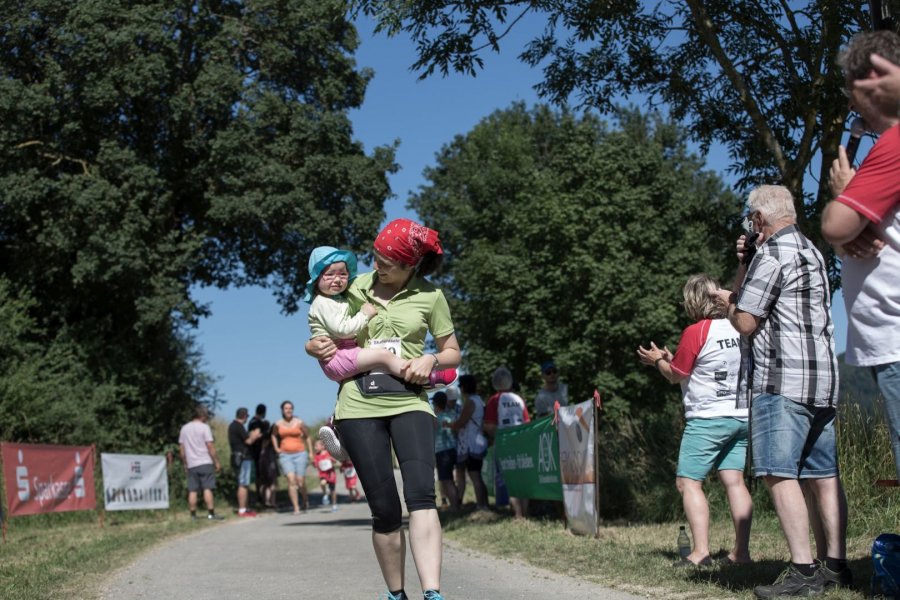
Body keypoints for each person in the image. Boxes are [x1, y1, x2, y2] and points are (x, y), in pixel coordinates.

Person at [306, 218, 461, 600]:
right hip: (358, 403)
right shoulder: (354, 286)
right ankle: (396, 594)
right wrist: (312, 346)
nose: (377, 267)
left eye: (387, 263)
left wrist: (431, 359)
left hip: (410, 400)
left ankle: (432, 593)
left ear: (411, 265)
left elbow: (452, 352)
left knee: (422, 495)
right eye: (375, 258)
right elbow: (321, 321)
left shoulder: (431, 296)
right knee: (385, 508)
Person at [712, 185, 850, 598]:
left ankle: (803, 571)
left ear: (758, 220)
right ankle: (835, 566)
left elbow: (746, 321)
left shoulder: (771, 255)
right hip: (821, 381)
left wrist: (727, 300)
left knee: (778, 473)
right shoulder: (812, 251)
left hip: (781, 380)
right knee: (823, 476)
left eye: (750, 218)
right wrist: (746, 261)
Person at [823, 30, 900, 483]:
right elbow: (844, 234)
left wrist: (843, 194)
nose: (853, 105)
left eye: (854, 91)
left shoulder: (892, 145)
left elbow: (835, 225)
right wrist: (851, 232)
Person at [637, 274, 752, 568]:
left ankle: (700, 552)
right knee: (734, 482)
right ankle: (741, 554)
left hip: (707, 419)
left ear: (694, 301)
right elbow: (700, 365)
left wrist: (658, 361)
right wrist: (671, 359)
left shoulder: (696, 331)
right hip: (741, 416)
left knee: (688, 483)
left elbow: (676, 375)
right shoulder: (739, 327)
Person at [306, 245, 457, 462]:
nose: (337, 279)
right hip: (338, 355)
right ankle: (425, 377)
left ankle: (338, 431)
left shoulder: (341, 295)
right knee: (382, 356)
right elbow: (342, 329)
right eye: (329, 274)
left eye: (343, 274)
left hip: (344, 353)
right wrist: (365, 314)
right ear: (316, 278)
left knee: (369, 367)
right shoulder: (329, 300)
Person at [484, 366, 531, 519]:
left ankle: (517, 514)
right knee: (522, 476)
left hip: (504, 444)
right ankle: (525, 513)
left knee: (509, 478)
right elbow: (527, 423)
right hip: (521, 442)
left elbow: (491, 426)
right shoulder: (518, 399)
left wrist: (487, 430)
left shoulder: (494, 400)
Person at [178, 404, 224, 521]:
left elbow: (182, 449)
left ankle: (193, 515)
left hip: (191, 464)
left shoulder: (184, 428)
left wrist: (185, 463)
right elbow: (210, 446)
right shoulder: (204, 427)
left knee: (192, 490)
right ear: (202, 415)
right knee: (207, 488)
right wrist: (216, 461)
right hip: (205, 462)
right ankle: (211, 514)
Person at [450, 374, 489, 511]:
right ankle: (485, 504)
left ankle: (481, 506)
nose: (460, 389)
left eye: (460, 386)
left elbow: (461, 422)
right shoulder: (479, 400)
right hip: (478, 442)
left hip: (471, 445)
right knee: (478, 476)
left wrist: (450, 425)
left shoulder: (470, 401)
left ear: (464, 387)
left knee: (475, 476)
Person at [271, 401, 312, 515]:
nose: (288, 410)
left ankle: (305, 500)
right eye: (286, 408)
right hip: (285, 455)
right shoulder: (278, 424)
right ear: (282, 410)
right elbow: (273, 435)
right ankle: (296, 507)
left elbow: (308, 436)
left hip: (300, 453)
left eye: (290, 408)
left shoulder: (299, 422)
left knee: (300, 481)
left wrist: (311, 452)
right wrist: (276, 448)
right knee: (291, 480)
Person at [228, 407, 262, 517]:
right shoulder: (238, 426)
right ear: (244, 416)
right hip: (243, 458)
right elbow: (249, 441)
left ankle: (245, 508)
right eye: (247, 416)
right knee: (243, 484)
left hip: (237, 457)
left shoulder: (232, 426)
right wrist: (255, 434)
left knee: (245, 484)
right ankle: (242, 509)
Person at [432, 391, 460, 511]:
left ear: (436, 404)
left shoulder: (436, 417)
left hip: (442, 452)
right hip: (453, 449)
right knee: (450, 480)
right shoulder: (452, 414)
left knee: (446, 480)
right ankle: (456, 504)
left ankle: (454, 507)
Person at [248, 403, 278, 509]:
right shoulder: (259, 423)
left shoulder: (251, 421)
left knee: (260, 477)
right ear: (264, 412)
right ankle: (264, 498)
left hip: (254, 451)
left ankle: (261, 497)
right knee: (265, 478)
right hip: (262, 452)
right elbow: (258, 436)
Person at [313, 440, 339, 512]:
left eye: (316, 446)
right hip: (323, 474)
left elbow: (335, 461)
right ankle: (325, 494)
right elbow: (315, 465)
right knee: (322, 483)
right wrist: (313, 463)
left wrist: (331, 459)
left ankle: (334, 505)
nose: (315, 448)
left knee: (332, 490)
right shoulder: (317, 455)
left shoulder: (328, 453)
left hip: (331, 474)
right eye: (315, 446)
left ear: (323, 446)